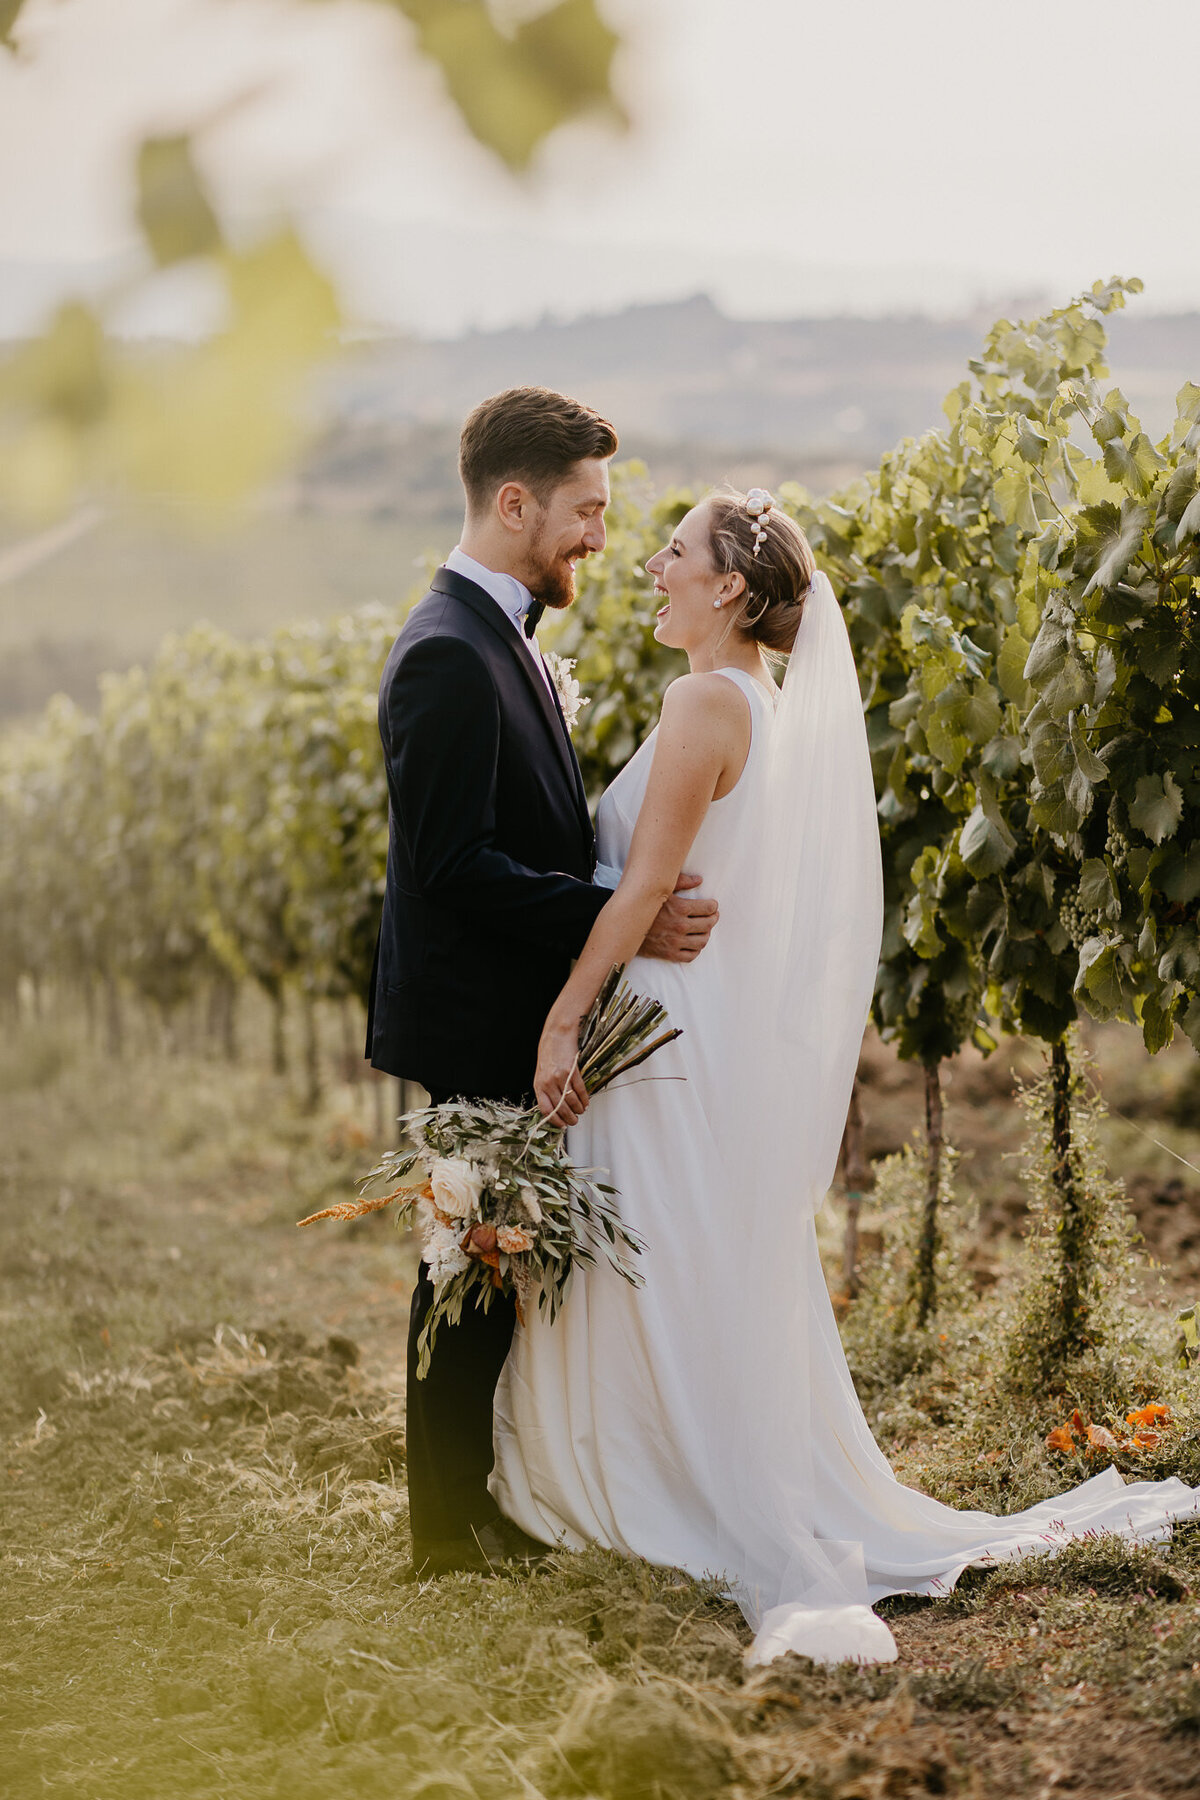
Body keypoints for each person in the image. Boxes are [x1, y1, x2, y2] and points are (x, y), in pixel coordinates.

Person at [491, 485, 1200, 1665]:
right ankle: (673, 1465)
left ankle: (650, 1484)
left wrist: (563, 1020)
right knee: (690, 1260)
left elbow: (642, 892)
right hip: (695, 1033)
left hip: (655, 1033)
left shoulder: (703, 700)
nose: (650, 567)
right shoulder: (763, 704)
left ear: (728, 587)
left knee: (660, 1260)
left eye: (673, 552)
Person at [366, 386, 720, 1579]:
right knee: (465, 1257)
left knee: (493, 1252)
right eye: (584, 511)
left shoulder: (495, 636)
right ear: (514, 503)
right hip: (473, 1017)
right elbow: (452, 865)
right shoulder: (446, 655)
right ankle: (442, 1537)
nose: (600, 540)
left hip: (503, 1008)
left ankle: (478, 1503)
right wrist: (622, 919)